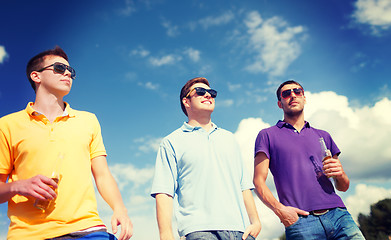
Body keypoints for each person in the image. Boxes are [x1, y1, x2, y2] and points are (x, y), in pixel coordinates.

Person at [0, 46, 133, 240]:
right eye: (59, 68)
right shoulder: (7, 125)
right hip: (28, 234)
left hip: (88, 229)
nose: (68, 74)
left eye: (71, 71)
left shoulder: (88, 120)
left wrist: (120, 209)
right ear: (36, 76)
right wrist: (18, 186)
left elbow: (102, 175)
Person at [151, 77, 261, 240]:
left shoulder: (229, 138)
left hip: (240, 231)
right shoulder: (171, 142)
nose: (208, 95)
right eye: (201, 92)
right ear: (186, 101)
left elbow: (244, 185)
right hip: (199, 232)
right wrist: (166, 234)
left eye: (212, 93)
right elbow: (164, 192)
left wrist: (256, 221)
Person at [253, 80, 365, 239]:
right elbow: (258, 181)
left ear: (304, 98)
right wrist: (281, 211)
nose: (292, 95)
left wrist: (340, 174)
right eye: (286, 93)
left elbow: (343, 186)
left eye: (297, 91)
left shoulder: (323, 135)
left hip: (339, 216)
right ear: (280, 103)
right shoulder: (267, 135)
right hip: (301, 222)